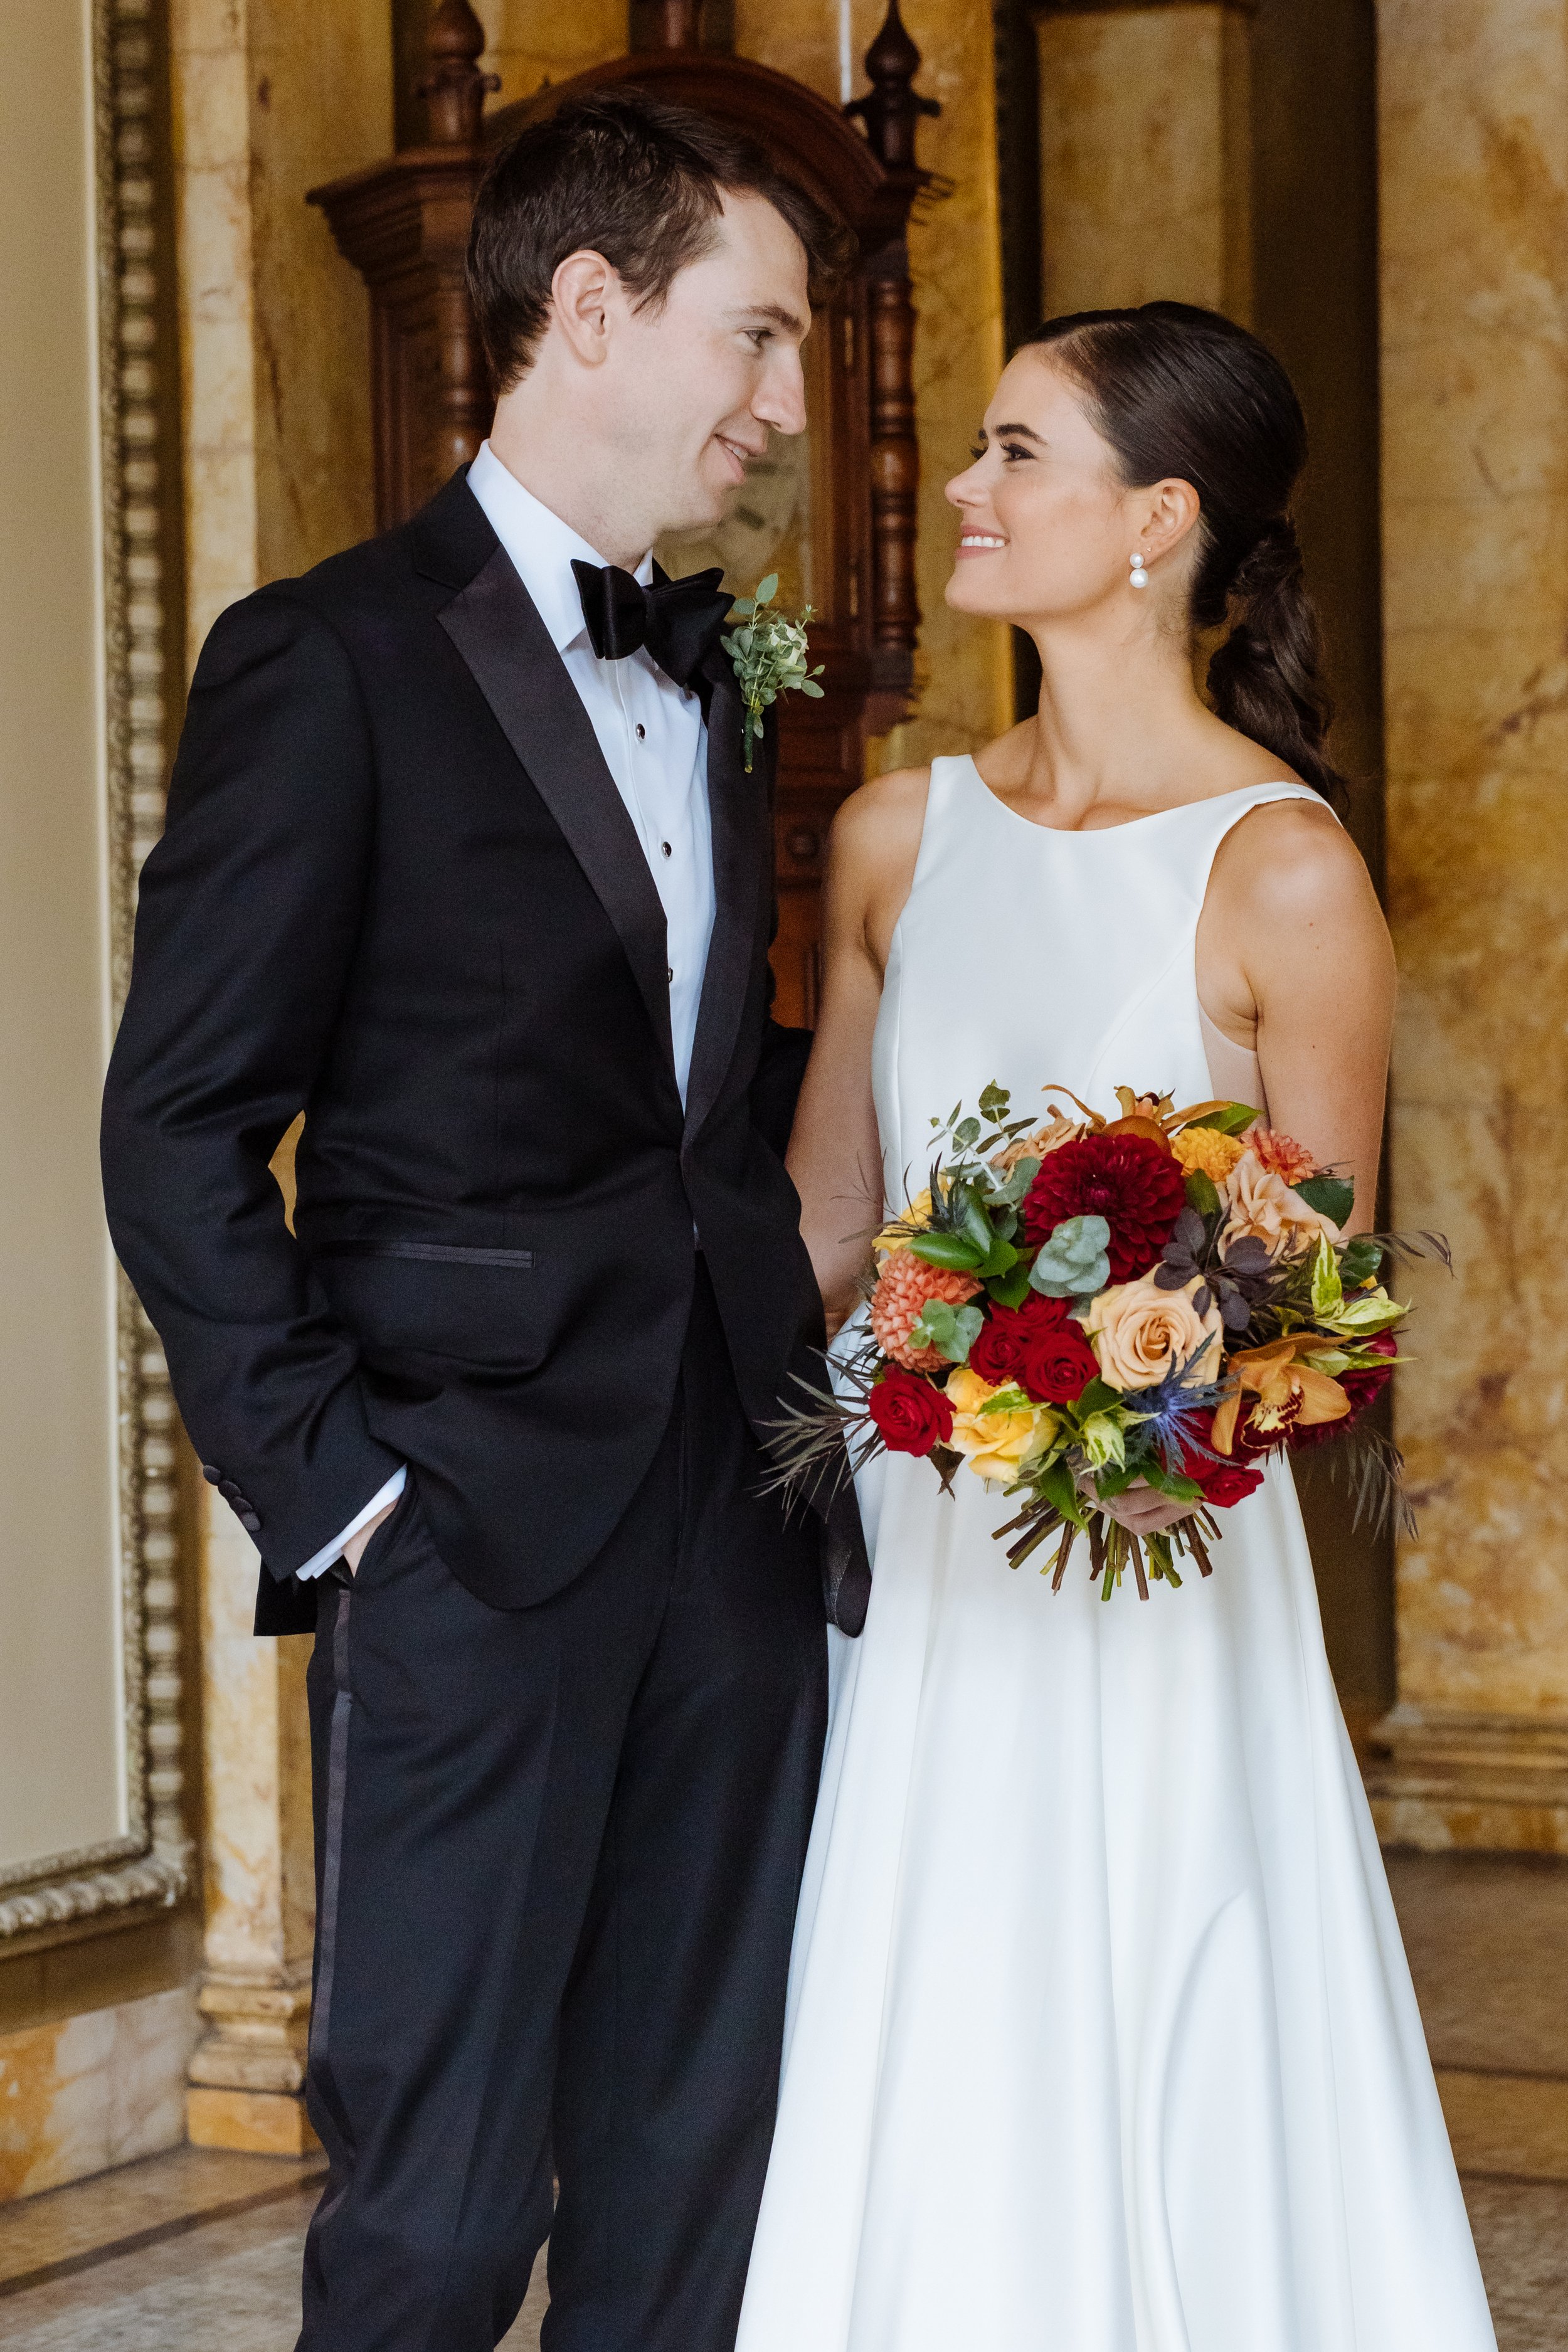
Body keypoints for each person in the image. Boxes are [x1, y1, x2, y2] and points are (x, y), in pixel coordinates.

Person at [100, 90, 866, 2352]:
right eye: (758, 338)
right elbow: (175, 1127)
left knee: (690, 2171)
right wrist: (344, 1503)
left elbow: (694, 1117)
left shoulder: (719, 671)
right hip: (460, 1527)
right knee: (435, 2215)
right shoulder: (322, 659)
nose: (787, 404)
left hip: (733, 1511)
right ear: (594, 311)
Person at [736, 303, 1496, 2351]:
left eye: (1011, 454)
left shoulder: (1283, 872)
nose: (959, 495)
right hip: (925, 1539)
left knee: (1171, 1963)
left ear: (1153, 520)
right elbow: (831, 1210)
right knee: (936, 1972)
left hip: (1151, 1556)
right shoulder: (899, 832)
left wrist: (1106, 1401)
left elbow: (1312, 1305)